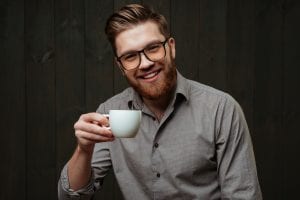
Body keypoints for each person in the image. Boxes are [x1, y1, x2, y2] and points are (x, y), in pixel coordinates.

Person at [58, 3, 262, 200]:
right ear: (120, 66)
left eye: (153, 48)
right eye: (130, 56)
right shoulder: (110, 112)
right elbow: (72, 197)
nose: (145, 63)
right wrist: (83, 150)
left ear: (171, 47)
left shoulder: (220, 110)